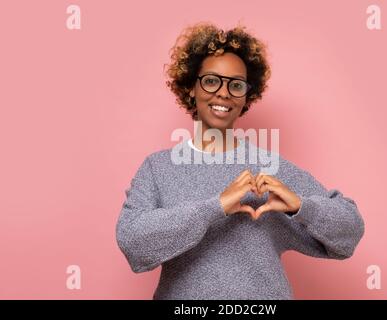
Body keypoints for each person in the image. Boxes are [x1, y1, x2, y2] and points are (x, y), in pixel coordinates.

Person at [115, 22, 365, 300]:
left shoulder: (269, 168)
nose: (223, 93)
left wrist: (301, 207)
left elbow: (350, 231)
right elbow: (133, 242)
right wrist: (217, 206)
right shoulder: (158, 169)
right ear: (191, 88)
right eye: (211, 81)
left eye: (236, 85)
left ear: (246, 96)